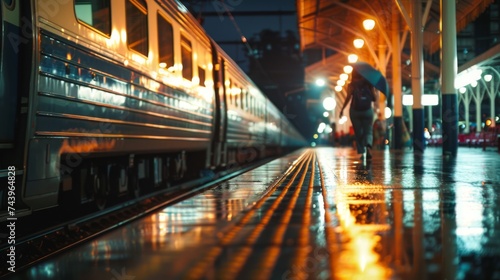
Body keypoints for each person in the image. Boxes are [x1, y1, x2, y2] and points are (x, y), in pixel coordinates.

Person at [339, 70, 379, 159]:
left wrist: (342, 109)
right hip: (367, 110)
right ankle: (368, 148)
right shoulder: (368, 83)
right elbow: (374, 99)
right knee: (368, 130)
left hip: (355, 111)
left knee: (358, 132)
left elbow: (348, 97)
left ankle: (362, 152)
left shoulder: (351, 85)